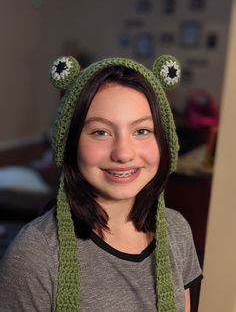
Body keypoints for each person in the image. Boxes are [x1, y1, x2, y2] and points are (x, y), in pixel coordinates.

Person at [0, 55, 202, 312]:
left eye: (141, 131)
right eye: (101, 132)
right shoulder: (36, 254)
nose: (123, 153)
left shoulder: (177, 232)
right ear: (71, 144)